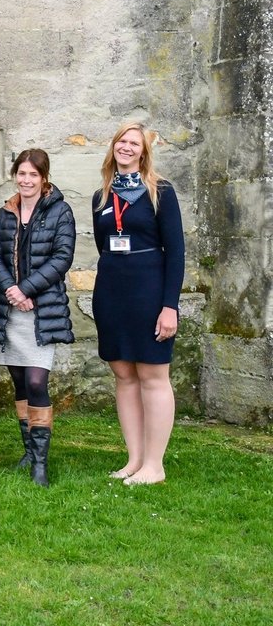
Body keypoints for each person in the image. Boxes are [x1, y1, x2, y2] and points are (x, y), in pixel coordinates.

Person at [92, 124, 184, 486]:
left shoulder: (161, 192)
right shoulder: (101, 197)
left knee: (152, 375)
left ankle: (154, 465)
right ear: (113, 146)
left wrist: (169, 306)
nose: (127, 147)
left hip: (149, 292)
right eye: (122, 141)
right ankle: (135, 460)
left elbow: (175, 253)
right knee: (124, 375)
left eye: (134, 143)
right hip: (111, 294)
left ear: (144, 152)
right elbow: (103, 246)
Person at [0, 150, 75, 487]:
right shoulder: (6, 212)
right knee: (19, 382)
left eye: (33, 174)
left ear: (44, 177)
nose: (26, 180)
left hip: (41, 309)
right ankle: (29, 452)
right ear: (15, 175)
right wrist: (11, 290)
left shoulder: (60, 211)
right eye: (21, 173)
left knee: (36, 382)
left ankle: (40, 465)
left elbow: (62, 257)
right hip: (10, 309)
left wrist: (26, 289)